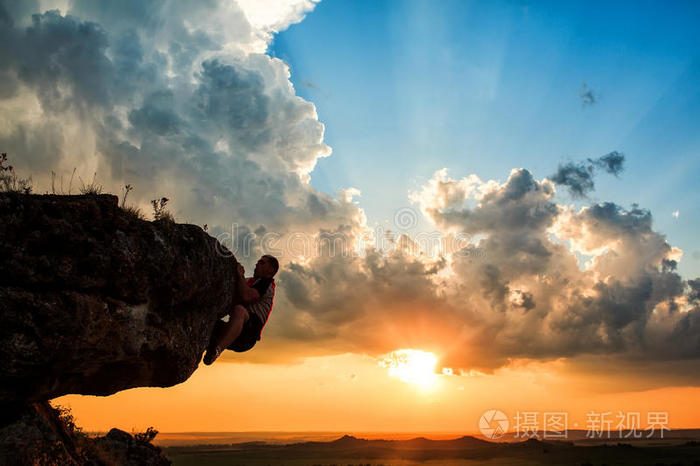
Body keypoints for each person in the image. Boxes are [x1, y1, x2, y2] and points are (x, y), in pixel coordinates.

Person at [203, 254, 278, 365]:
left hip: (248, 334)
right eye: (258, 262)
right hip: (233, 330)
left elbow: (246, 296)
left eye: (262, 263)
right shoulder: (249, 282)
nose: (257, 264)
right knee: (207, 323)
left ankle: (217, 350)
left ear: (270, 271)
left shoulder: (266, 284)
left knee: (239, 310)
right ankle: (206, 347)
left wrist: (240, 275)